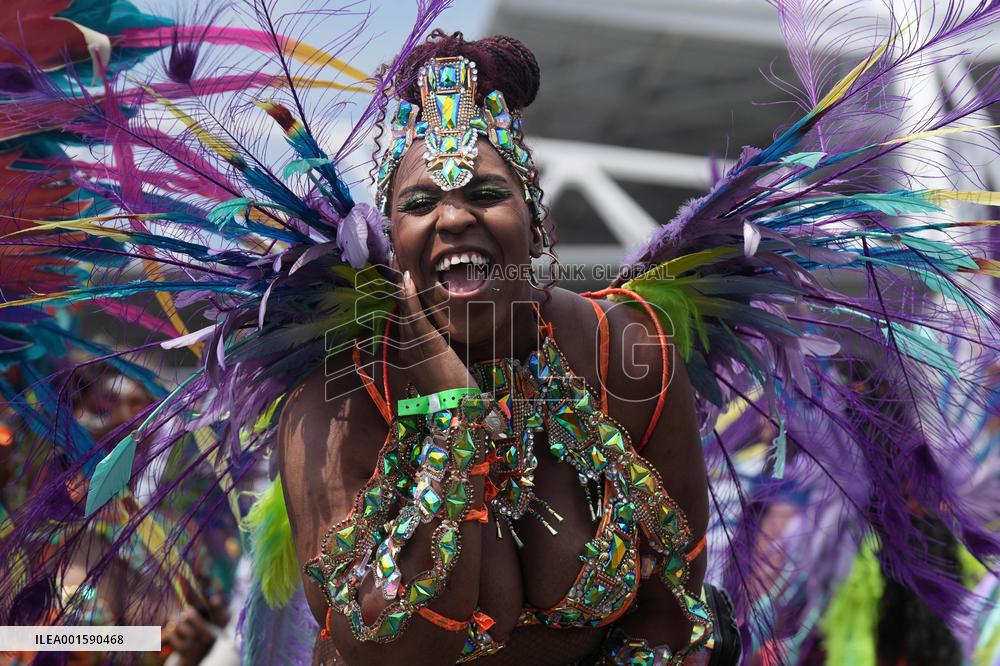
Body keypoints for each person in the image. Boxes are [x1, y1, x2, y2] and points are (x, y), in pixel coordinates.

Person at [277, 33, 726, 664]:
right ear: (394, 244)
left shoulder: (629, 354)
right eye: (420, 202)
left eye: (486, 194)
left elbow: (673, 607)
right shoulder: (336, 405)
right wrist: (454, 424)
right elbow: (387, 646)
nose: (454, 219)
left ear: (535, 219)